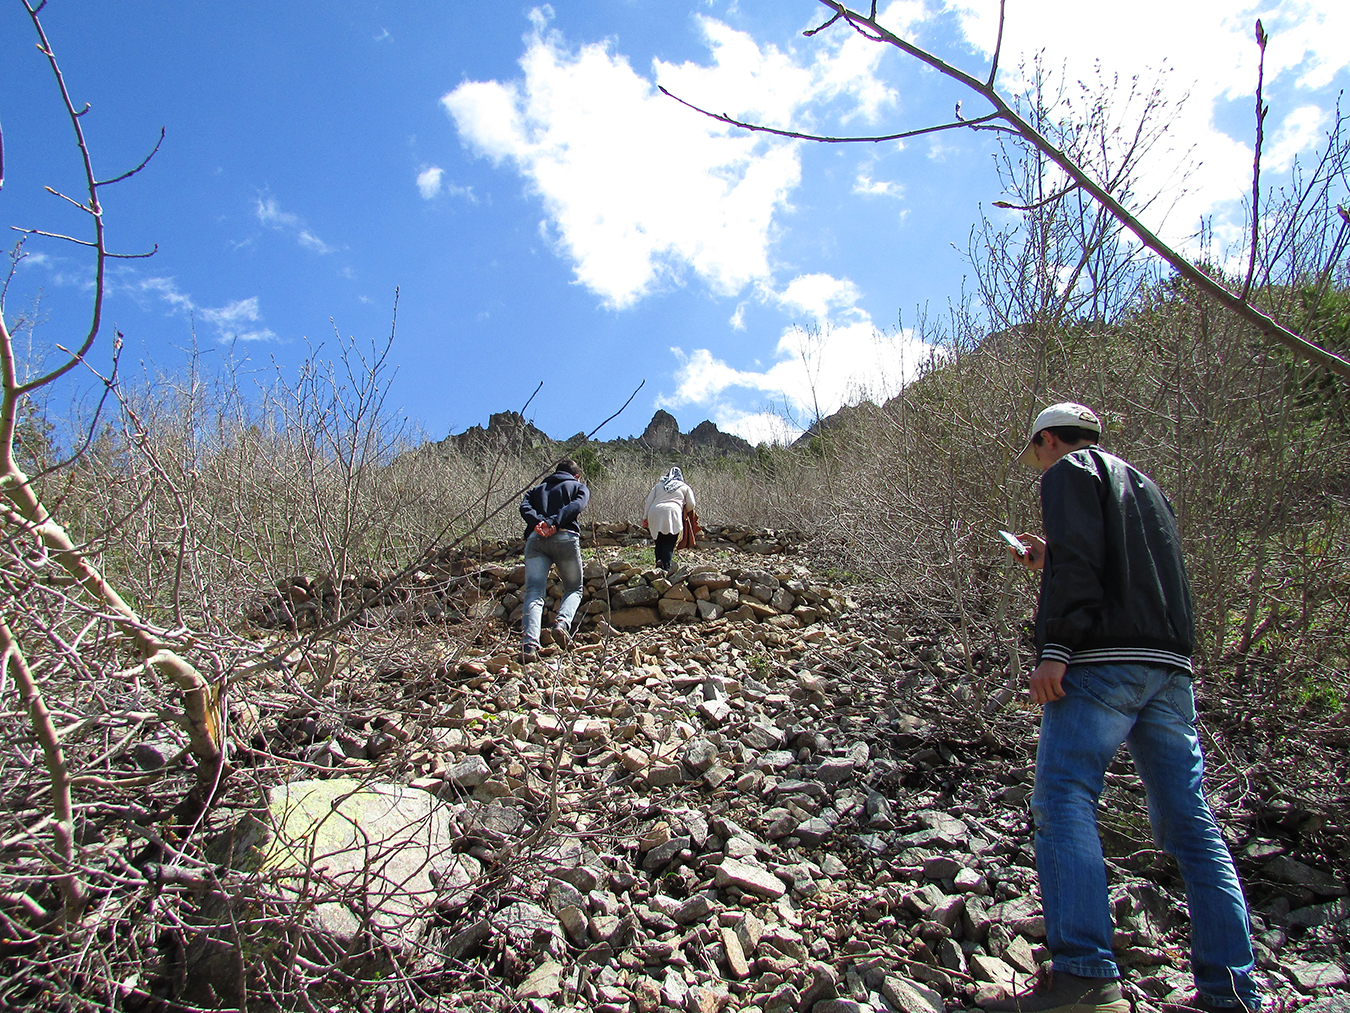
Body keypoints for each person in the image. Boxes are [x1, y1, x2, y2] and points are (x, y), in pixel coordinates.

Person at [987, 403, 1261, 1013]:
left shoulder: (1067, 472)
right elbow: (1125, 570)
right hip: (1168, 668)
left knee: (1064, 797)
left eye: (1036, 452)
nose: (1037, 463)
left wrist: (1054, 649)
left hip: (1102, 664)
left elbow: (1083, 566)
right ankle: (1232, 990)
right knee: (1191, 823)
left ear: (1049, 440)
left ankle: (1085, 977)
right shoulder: (1146, 486)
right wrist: (1049, 557)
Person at [518, 459, 588, 664]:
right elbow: (577, 506)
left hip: (535, 539)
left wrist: (539, 522)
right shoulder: (578, 486)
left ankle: (529, 644)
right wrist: (555, 523)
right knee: (574, 588)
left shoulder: (535, 490)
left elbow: (524, 507)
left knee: (533, 591)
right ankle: (562, 624)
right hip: (565, 537)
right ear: (576, 476)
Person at [642, 466, 696, 571]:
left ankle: (659, 561)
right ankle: (665, 568)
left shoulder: (658, 486)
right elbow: (692, 504)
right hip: (672, 512)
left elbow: (648, 502)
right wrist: (684, 509)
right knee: (669, 541)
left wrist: (645, 518)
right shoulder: (684, 487)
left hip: (655, 512)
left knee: (659, 540)